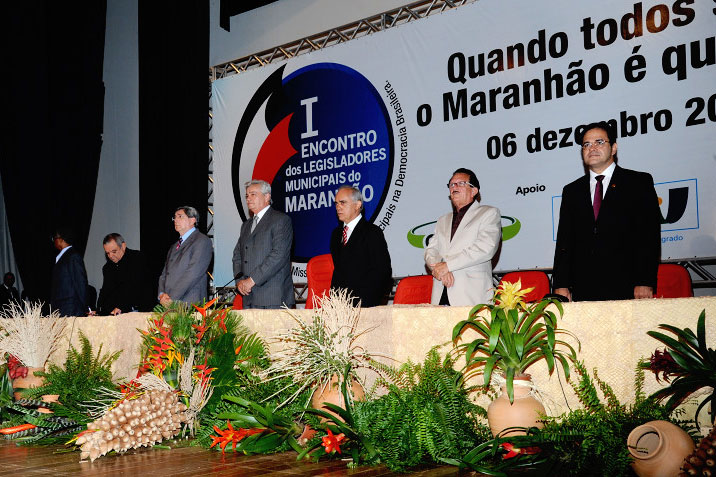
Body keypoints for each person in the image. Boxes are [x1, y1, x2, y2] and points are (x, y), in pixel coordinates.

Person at [553, 121, 661, 301]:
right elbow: (565, 240)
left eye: (599, 142)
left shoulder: (638, 182)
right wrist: (561, 284)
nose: (592, 148)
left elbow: (648, 236)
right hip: (583, 289)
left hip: (628, 287)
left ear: (614, 148)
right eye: (586, 144)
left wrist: (645, 280)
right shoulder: (572, 190)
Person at [424, 168, 502, 306]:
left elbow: (485, 248)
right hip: (441, 290)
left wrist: (448, 266)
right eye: (452, 184)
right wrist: (440, 270)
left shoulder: (488, 213)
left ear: (474, 191)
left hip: (471, 295)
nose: (454, 187)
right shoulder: (443, 220)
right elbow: (431, 251)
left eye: (460, 183)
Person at [232, 180, 295, 309]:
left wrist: (252, 280)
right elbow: (237, 255)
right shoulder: (246, 225)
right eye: (247, 195)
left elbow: (279, 256)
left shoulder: (280, 220)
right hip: (248, 296)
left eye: (253, 194)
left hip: (273, 297)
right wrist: (240, 282)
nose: (248, 199)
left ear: (267, 197)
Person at [329, 185, 392, 307]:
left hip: (365, 305)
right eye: (336, 203)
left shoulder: (372, 232)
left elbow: (382, 272)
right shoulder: (336, 234)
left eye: (343, 202)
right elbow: (339, 271)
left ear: (358, 205)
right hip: (338, 306)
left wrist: (367, 302)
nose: (338, 207)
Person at [158, 206, 213, 306]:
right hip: (169, 303)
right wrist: (161, 294)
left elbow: (193, 273)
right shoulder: (174, 246)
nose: (176, 220)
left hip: (189, 303)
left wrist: (171, 297)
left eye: (180, 216)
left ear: (192, 220)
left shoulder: (202, 241)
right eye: (174, 217)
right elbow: (164, 274)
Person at [96, 233, 154, 315]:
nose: (111, 256)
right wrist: (98, 311)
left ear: (123, 246)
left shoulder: (137, 258)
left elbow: (135, 286)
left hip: (138, 311)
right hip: (116, 314)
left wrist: (121, 306)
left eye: (114, 251)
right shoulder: (107, 268)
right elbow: (105, 291)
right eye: (108, 253)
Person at [51, 227, 89, 316]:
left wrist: (85, 309)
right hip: (61, 310)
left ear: (61, 239)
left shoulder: (73, 257)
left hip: (71, 311)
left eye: (54, 238)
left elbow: (81, 284)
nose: (53, 241)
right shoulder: (62, 257)